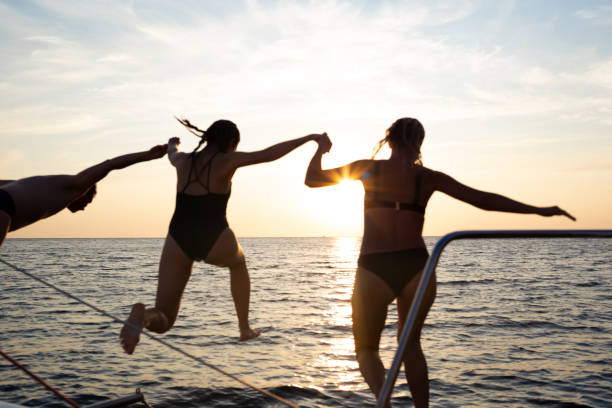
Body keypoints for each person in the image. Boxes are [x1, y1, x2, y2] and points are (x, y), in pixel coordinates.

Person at [304, 118, 575, 407]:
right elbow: (482, 199)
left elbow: (313, 179)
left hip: (374, 265)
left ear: (390, 140)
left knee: (367, 349)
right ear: (419, 143)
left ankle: (384, 405)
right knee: (410, 345)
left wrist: (320, 148)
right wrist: (538, 211)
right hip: (416, 267)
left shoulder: (368, 168)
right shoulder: (429, 177)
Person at [120, 118, 323, 354]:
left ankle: (142, 315)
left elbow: (173, 154)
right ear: (230, 142)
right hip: (213, 234)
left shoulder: (184, 160)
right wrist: (308, 138)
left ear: (208, 138)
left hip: (178, 237)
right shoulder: (227, 161)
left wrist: (172, 144)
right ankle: (244, 328)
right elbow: (268, 154)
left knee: (164, 318)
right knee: (238, 264)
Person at [0, 145, 168, 248]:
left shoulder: (28, 185)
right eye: (88, 202)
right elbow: (110, 164)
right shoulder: (77, 186)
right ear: (85, 192)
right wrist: (147, 155)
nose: (83, 208)